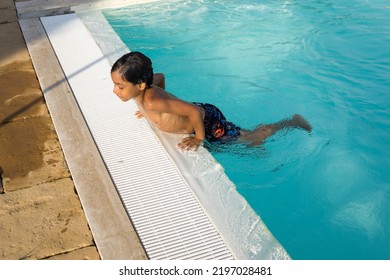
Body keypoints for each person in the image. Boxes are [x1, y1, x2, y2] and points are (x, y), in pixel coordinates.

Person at [110, 51, 312, 151]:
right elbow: (160, 76)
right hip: (200, 111)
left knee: (249, 137)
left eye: (120, 86)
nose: (115, 91)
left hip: (207, 120)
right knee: (241, 135)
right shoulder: (146, 93)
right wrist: (148, 112)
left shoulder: (153, 102)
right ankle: (257, 135)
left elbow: (195, 113)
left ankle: (292, 122)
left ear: (141, 85)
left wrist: (199, 138)